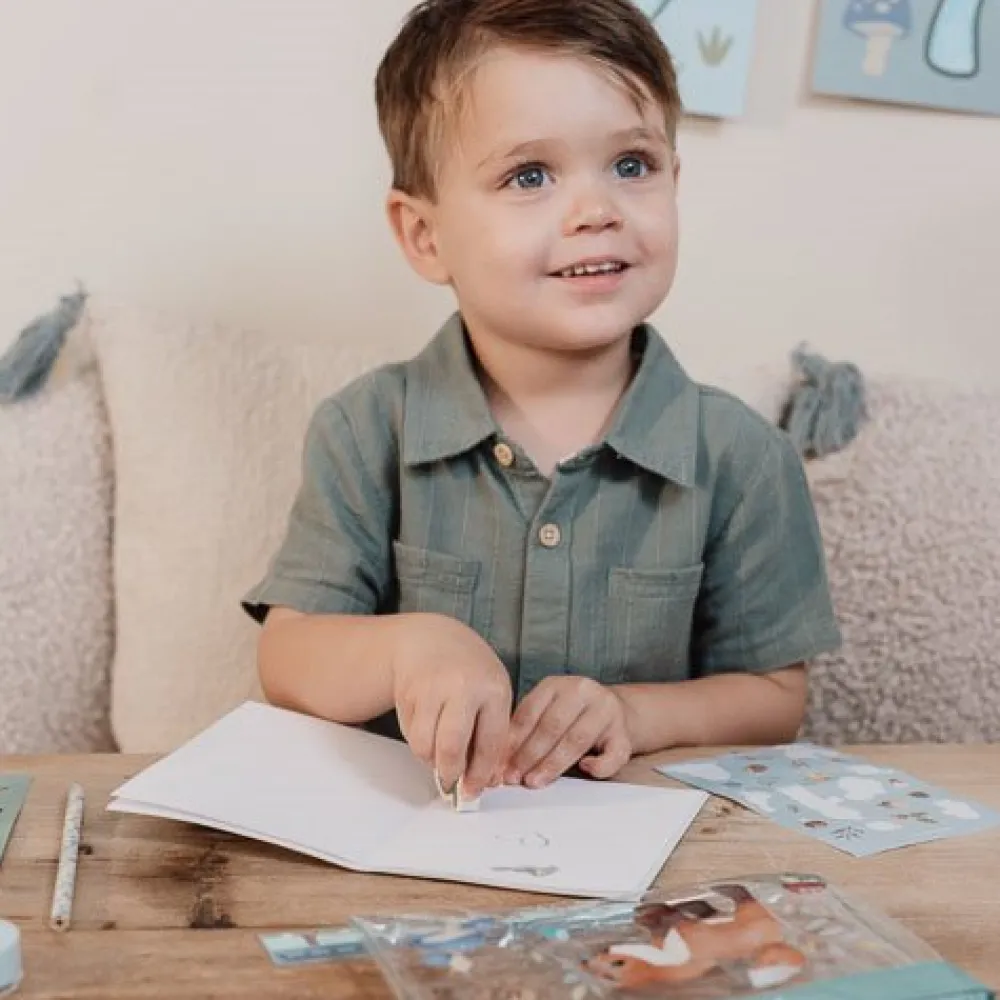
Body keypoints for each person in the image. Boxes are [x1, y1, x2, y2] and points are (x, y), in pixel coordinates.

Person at [242, 0, 841, 804]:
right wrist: (411, 647)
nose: (597, 210)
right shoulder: (365, 428)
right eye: (529, 175)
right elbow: (288, 656)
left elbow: (774, 698)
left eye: (632, 165)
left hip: (638, 855)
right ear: (425, 236)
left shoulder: (742, 456)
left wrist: (634, 713)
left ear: (674, 179)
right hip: (413, 841)